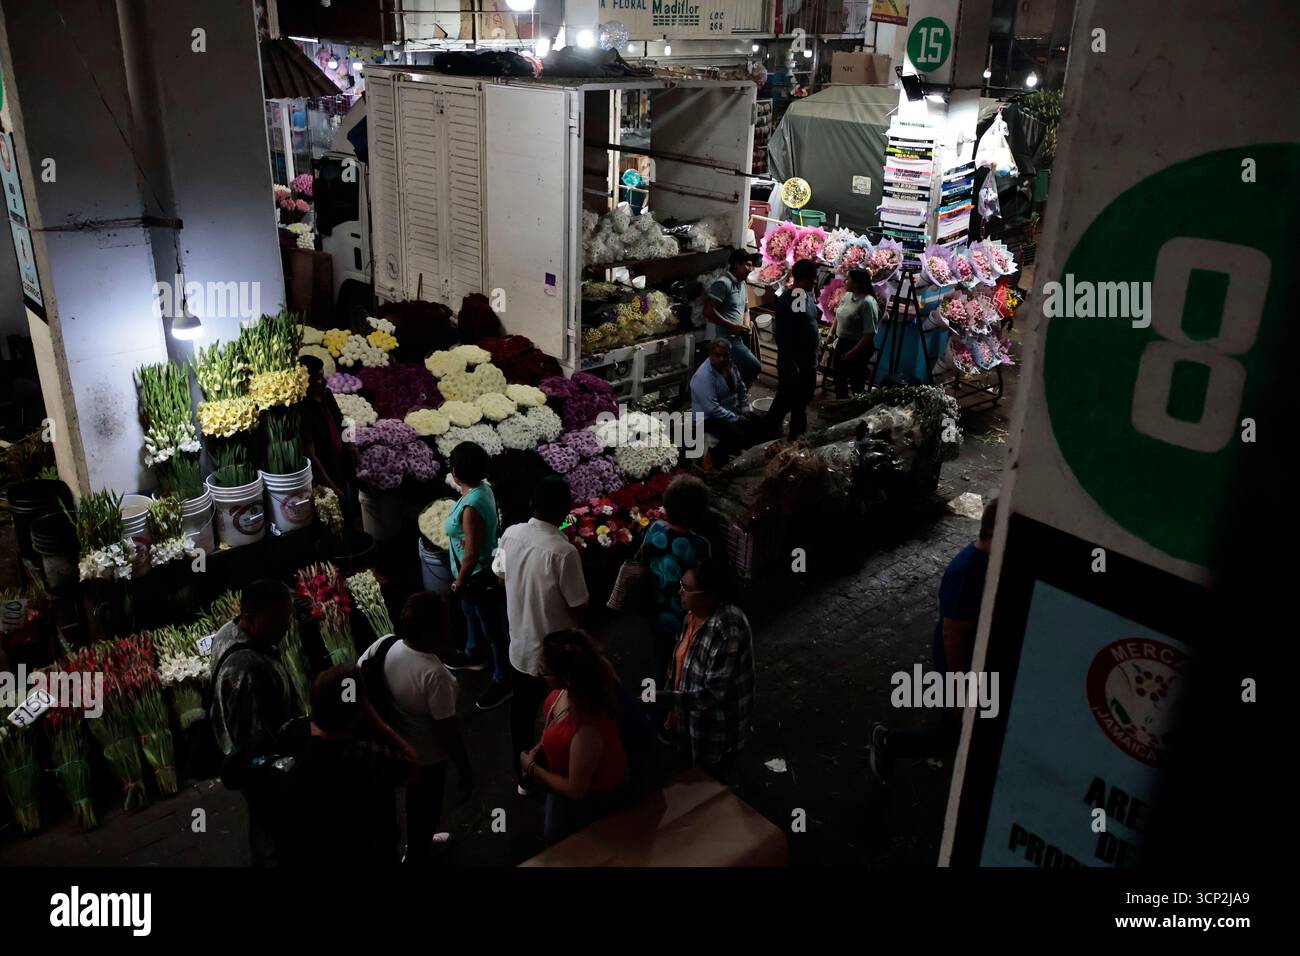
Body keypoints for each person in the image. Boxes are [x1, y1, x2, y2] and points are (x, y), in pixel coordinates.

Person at [870, 496, 998, 779]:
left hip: (973, 658)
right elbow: (952, 634)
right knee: (954, 733)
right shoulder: (967, 573)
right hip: (960, 663)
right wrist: (957, 689)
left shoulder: (988, 564)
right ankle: (890, 743)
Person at [358, 592, 473, 863]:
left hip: (390, 743)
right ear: (435, 633)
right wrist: (465, 769)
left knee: (395, 808)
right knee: (424, 806)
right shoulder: (435, 675)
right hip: (426, 756)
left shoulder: (385, 645)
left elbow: (360, 672)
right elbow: (447, 730)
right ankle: (418, 851)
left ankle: (408, 847)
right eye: (445, 623)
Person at [495, 476, 589, 796]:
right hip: (556, 657)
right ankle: (561, 771)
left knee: (520, 718)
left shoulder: (510, 535)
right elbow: (579, 605)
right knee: (562, 715)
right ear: (565, 511)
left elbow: (500, 576)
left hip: (519, 647)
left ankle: (524, 775)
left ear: (532, 504)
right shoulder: (563, 552)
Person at [273, 665, 417, 867]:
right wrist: (380, 725)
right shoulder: (361, 754)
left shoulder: (291, 730)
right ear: (357, 712)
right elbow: (412, 766)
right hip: (370, 850)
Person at [208, 579, 301, 866]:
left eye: (288, 617)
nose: (287, 627)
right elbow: (252, 741)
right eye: (278, 620)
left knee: (265, 823)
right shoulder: (245, 670)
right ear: (250, 618)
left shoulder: (228, 631)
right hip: (263, 767)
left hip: (256, 760)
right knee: (274, 826)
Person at [520, 629, 630, 845]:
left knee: (580, 846)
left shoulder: (588, 727)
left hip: (593, 799)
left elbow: (576, 790)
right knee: (554, 835)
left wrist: (532, 768)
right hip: (560, 778)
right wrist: (543, 746)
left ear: (567, 678)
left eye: (545, 672)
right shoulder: (577, 687)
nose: (540, 674)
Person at [659, 560, 755, 774]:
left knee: (709, 783)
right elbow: (680, 662)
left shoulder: (727, 630)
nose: (679, 591)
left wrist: (662, 697)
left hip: (715, 731)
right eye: (681, 584)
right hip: (689, 719)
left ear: (708, 595)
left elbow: (709, 696)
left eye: (686, 588)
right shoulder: (693, 614)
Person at [442, 441, 512, 711]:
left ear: (457, 471)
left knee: (493, 628)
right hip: (476, 574)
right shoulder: (483, 489)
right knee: (471, 614)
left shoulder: (471, 507)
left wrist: (459, 582)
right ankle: (474, 654)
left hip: (476, 576)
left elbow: (470, 553)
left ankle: (503, 679)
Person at [638, 475, 714, 673]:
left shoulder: (654, 528)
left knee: (661, 654)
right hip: (683, 617)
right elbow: (704, 584)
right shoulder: (699, 546)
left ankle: (661, 686)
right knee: (684, 657)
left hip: (653, 607)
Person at [765, 258, 821, 440]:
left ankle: (796, 437)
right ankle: (769, 436)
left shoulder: (803, 295)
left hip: (805, 362)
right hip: (796, 364)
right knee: (785, 401)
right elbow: (789, 336)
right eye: (813, 279)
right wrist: (792, 365)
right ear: (804, 279)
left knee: (798, 403)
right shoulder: (795, 299)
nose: (815, 282)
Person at [690, 339, 760, 465]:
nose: (722, 359)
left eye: (725, 355)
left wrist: (744, 408)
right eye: (717, 355)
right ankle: (717, 462)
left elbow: (741, 388)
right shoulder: (703, 376)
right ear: (710, 354)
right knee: (736, 432)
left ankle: (737, 453)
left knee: (756, 423)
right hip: (707, 418)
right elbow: (713, 409)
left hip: (729, 410)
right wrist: (736, 418)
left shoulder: (730, 365)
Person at [298, 354, 354, 511]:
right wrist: (331, 487)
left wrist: (350, 444)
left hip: (341, 467)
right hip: (326, 476)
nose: (322, 382)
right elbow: (311, 455)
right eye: (316, 379)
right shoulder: (302, 410)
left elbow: (342, 421)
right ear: (304, 381)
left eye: (322, 376)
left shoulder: (327, 395)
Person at [702, 249, 762, 386]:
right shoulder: (723, 284)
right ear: (736, 264)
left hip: (738, 338)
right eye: (747, 265)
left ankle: (734, 398)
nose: (750, 269)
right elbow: (708, 310)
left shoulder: (742, 284)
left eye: (751, 265)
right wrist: (732, 326)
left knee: (735, 374)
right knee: (754, 367)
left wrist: (746, 325)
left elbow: (746, 309)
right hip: (725, 340)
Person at [832, 269, 879, 399]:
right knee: (838, 378)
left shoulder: (867, 303)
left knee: (856, 383)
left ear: (857, 283)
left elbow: (869, 334)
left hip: (858, 347)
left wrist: (852, 352)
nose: (844, 281)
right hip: (842, 342)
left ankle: (855, 412)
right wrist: (831, 333)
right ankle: (841, 405)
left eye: (848, 279)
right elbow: (838, 314)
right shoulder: (847, 296)